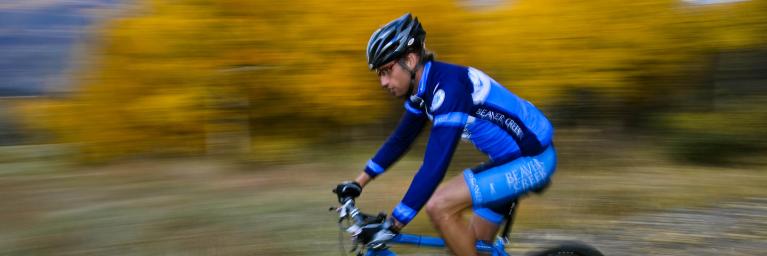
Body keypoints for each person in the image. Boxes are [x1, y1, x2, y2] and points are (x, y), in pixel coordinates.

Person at [334, 13, 556, 256]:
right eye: (379, 74)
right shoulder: (424, 90)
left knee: (440, 207)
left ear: (409, 59)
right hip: (507, 161)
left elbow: (435, 165)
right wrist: (358, 183)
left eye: (387, 70)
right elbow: (400, 140)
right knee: (469, 247)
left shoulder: (448, 90)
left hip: (533, 159)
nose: (383, 82)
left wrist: (393, 224)